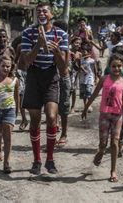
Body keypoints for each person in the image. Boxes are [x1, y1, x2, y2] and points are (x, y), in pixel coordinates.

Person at [21, 3, 69, 174]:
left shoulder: (61, 34)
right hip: (34, 76)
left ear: (51, 14)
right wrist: (38, 45)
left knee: (50, 116)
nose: (41, 13)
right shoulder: (28, 33)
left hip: (51, 76)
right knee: (34, 120)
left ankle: (50, 159)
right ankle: (37, 160)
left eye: (45, 11)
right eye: (38, 11)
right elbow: (26, 62)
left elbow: (63, 69)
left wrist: (56, 53)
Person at [81, 54, 123, 182]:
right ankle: (100, 152)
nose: (116, 68)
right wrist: (86, 107)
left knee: (114, 142)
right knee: (103, 143)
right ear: (109, 67)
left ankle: (113, 171)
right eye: (114, 66)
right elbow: (94, 94)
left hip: (117, 116)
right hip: (104, 114)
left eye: (119, 66)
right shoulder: (104, 79)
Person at [53, 19, 72, 148]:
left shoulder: (65, 47)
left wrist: (57, 50)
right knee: (52, 108)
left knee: (64, 108)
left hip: (63, 78)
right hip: (51, 77)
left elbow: (65, 65)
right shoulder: (50, 43)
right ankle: (53, 133)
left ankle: (64, 134)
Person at [11, 35, 28, 131]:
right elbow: (15, 59)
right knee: (20, 96)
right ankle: (24, 119)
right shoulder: (20, 46)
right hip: (21, 73)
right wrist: (12, 71)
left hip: (32, 73)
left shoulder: (37, 45)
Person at [79, 42, 96, 113]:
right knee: (83, 93)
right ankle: (85, 105)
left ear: (88, 52)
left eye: (84, 51)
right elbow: (78, 67)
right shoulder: (81, 60)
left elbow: (95, 69)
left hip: (90, 78)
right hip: (82, 79)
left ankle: (89, 105)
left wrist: (97, 77)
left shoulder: (92, 61)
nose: (83, 52)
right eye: (82, 51)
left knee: (88, 92)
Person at [69, 37, 82, 114]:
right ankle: (66, 105)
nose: (78, 45)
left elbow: (78, 67)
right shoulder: (68, 51)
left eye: (79, 43)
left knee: (74, 90)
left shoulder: (79, 54)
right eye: (76, 42)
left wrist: (76, 60)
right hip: (66, 73)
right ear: (72, 43)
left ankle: (72, 107)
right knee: (67, 91)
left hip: (74, 74)